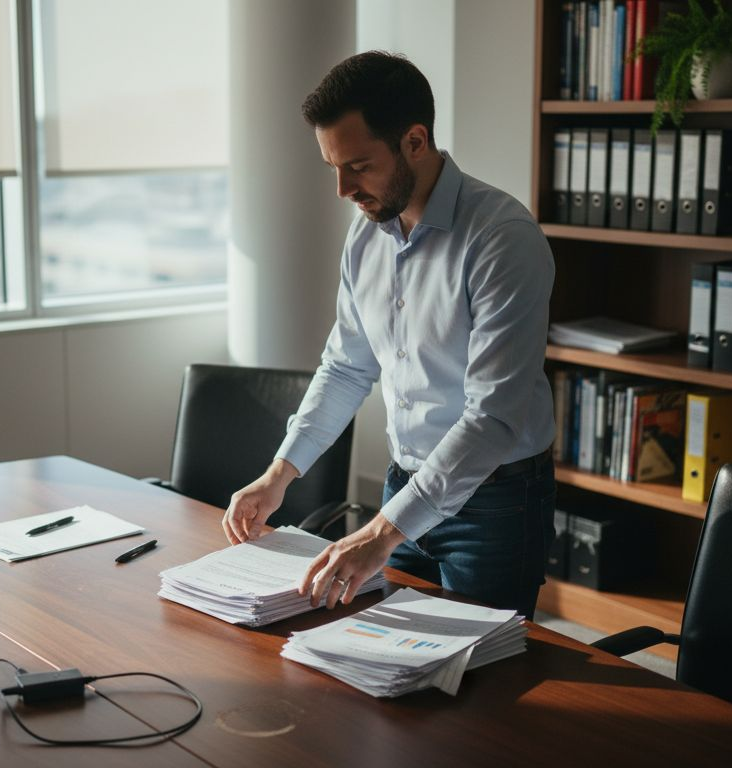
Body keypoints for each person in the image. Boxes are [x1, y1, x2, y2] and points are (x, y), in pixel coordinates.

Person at [221, 51, 556, 619]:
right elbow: (348, 367)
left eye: (357, 165)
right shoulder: (366, 237)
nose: (343, 188)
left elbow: (493, 417)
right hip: (403, 487)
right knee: (389, 671)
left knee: (477, 680)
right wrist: (280, 474)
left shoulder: (503, 239)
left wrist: (382, 531)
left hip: (494, 502)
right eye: (333, 167)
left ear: (415, 141)